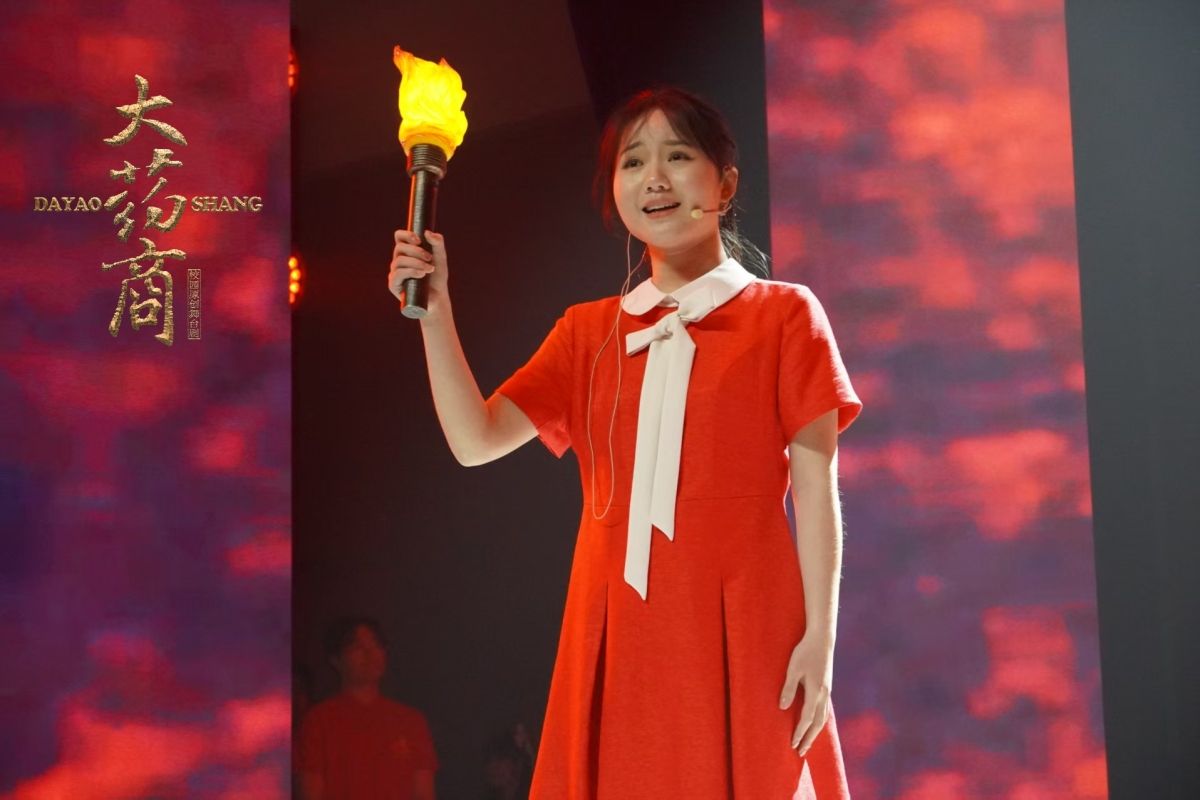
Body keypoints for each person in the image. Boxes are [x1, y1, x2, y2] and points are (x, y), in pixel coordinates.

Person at [388, 85, 862, 798]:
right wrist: (436, 312)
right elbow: (473, 440)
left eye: (679, 156)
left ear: (725, 183)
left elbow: (816, 487)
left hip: (747, 627)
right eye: (633, 162)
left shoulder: (784, 315)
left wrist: (819, 640)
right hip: (618, 634)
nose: (655, 178)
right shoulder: (587, 333)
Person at [296, 615, 438, 800]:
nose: (370, 654)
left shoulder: (411, 721)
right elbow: (311, 791)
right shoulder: (318, 720)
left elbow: (424, 793)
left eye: (376, 645)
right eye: (357, 647)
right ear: (336, 659)